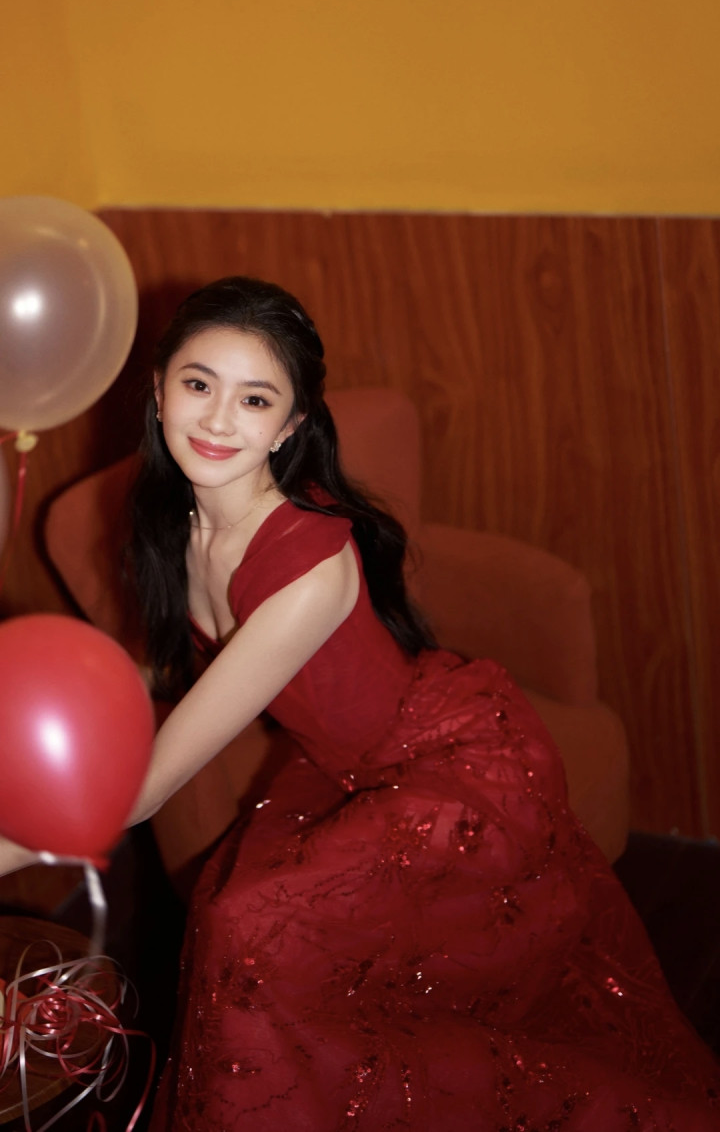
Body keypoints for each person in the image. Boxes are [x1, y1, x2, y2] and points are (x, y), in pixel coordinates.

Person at [1, 275, 718, 1129]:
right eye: (198, 384)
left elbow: (144, 790)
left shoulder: (309, 571)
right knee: (256, 941)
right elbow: (168, 672)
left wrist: (8, 850)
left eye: (255, 399)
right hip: (335, 767)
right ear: (158, 392)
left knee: (243, 929)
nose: (218, 421)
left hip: (447, 769)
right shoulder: (171, 521)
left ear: (291, 425)